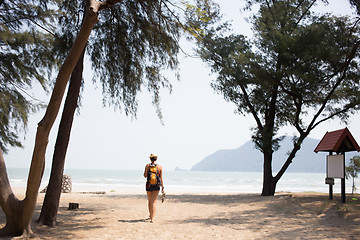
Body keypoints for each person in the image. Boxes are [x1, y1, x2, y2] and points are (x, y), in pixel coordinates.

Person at [143, 153, 164, 223]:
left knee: (150, 200)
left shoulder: (147, 166)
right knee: (154, 202)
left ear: (150, 159)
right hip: (157, 185)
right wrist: (162, 187)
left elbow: (145, 176)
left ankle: (150, 215)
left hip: (149, 185)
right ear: (156, 159)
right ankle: (152, 218)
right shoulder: (160, 167)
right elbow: (161, 178)